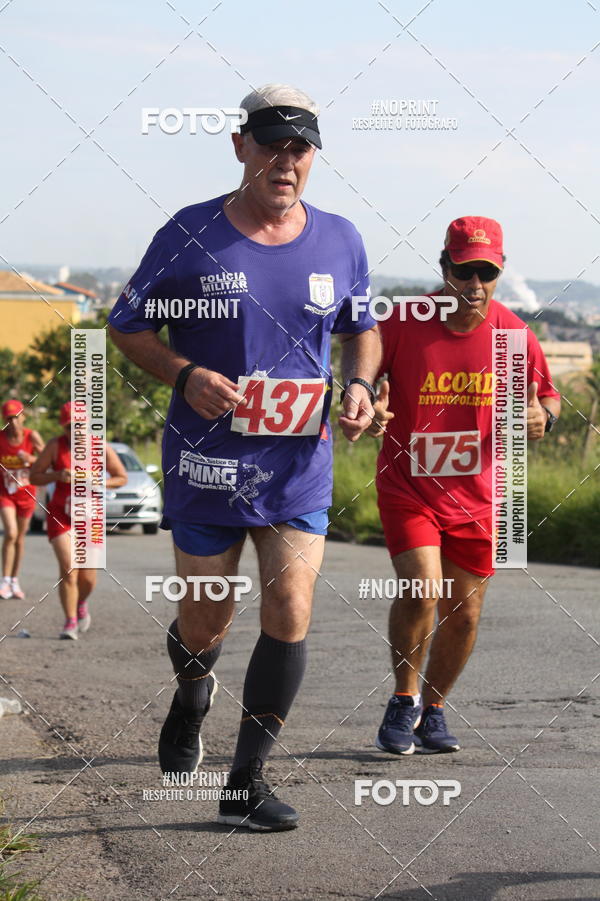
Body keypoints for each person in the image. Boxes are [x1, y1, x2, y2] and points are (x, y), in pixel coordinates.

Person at [108, 83, 380, 831]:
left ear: (313, 156)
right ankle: (193, 692)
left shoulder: (342, 238)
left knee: (291, 607)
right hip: (206, 464)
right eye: (270, 144)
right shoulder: (188, 233)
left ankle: (247, 779)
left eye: (300, 148)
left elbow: (363, 327)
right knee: (207, 620)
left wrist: (358, 383)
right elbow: (125, 325)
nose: (285, 161)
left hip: (300, 464)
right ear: (240, 147)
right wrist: (185, 375)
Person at [369, 216, 561, 755]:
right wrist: (369, 401)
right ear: (444, 266)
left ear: (498, 273)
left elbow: (546, 399)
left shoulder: (514, 335)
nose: (474, 285)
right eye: (463, 271)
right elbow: (362, 378)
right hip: (410, 487)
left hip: (481, 495)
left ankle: (434, 709)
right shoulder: (403, 321)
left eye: (486, 272)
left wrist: (543, 417)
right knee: (422, 587)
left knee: (466, 611)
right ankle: (403, 699)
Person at [30, 401, 127, 639]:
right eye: (69, 427)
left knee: (88, 577)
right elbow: (34, 475)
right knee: (68, 569)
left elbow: (121, 477)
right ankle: (70, 621)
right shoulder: (55, 446)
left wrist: (99, 481)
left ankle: (81, 603)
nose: (75, 431)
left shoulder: (100, 447)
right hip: (61, 514)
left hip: (90, 517)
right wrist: (57, 475)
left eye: (79, 425)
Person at [0, 400, 44, 600]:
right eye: (9, 418)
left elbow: (47, 459)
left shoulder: (31, 436)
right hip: (6, 492)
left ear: (23, 416)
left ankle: (14, 580)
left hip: (26, 492)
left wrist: (31, 458)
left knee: (19, 538)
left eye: (17, 417)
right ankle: (5, 580)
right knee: (11, 533)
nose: (14, 422)